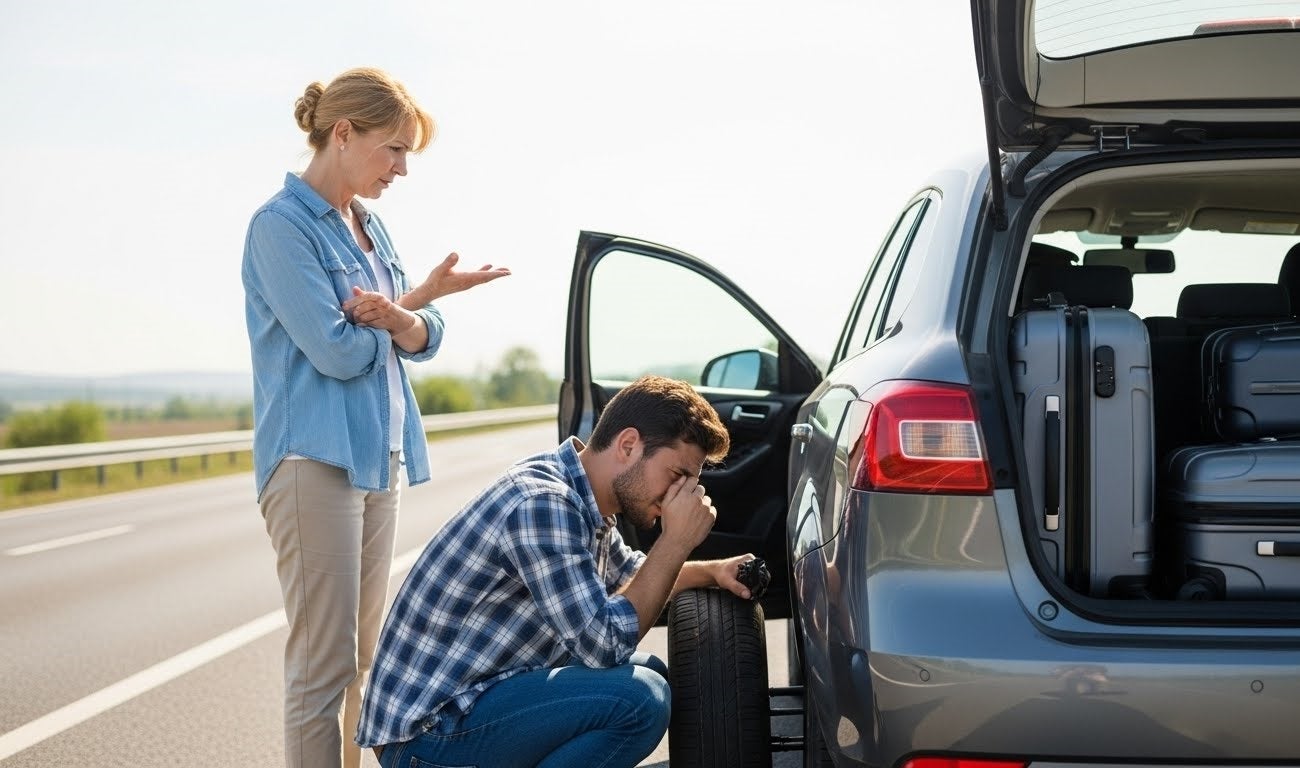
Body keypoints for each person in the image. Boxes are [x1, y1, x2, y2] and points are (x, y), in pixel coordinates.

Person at [241, 66, 510, 768]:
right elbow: (334, 351)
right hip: (313, 460)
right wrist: (404, 313)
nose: (401, 169)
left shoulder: (371, 224)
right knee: (323, 667)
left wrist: (408, 310)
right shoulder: (281, 228)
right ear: (343, 133)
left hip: (378, 456)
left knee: (368, 661)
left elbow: (422, 337)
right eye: (393, 149)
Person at [355, 374, 754, 767]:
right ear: (629, 445)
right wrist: (675, 541)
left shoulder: (584, 496)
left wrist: (714, 570)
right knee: (639, 701)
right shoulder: (544, 503)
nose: (682, 494)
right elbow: (604, 644)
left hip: (471, 708)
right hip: (426, 736)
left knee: (649, 672)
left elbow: (631, 574)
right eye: (677, 475)